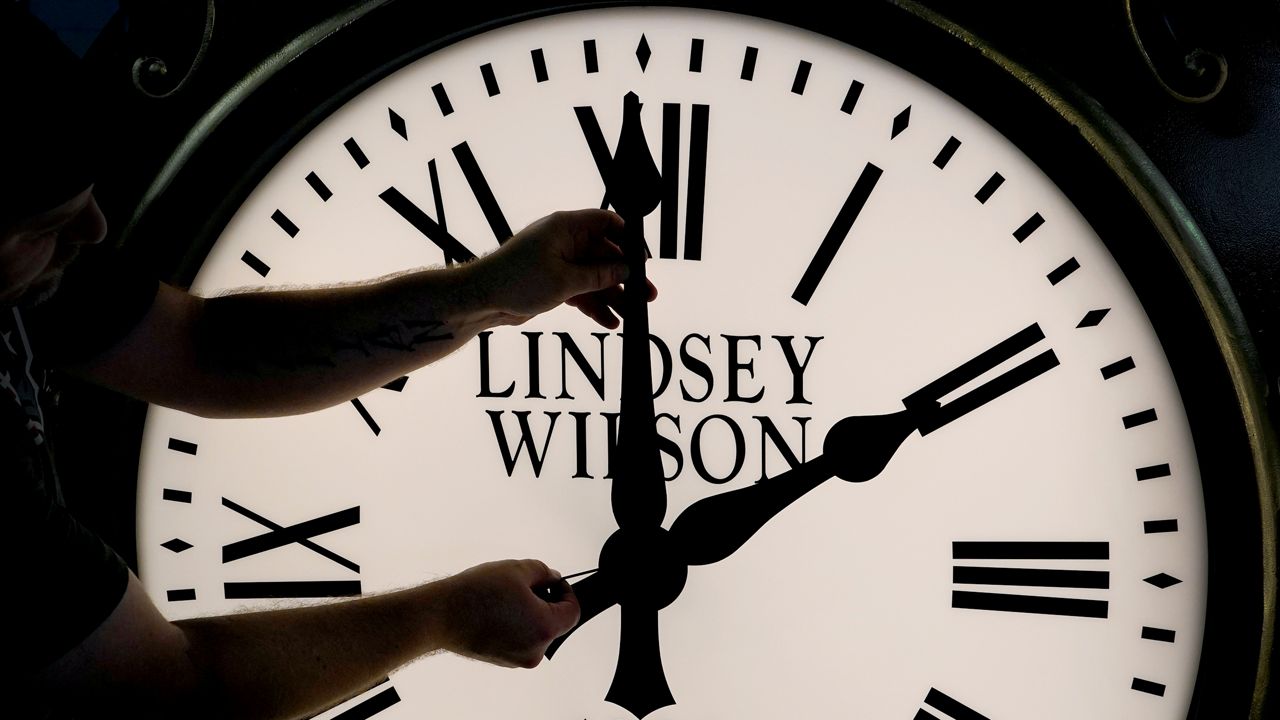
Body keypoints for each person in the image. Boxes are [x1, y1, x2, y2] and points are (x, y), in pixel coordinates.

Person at [3, 6, 650, 719]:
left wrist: (488, 295)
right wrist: (444, 618)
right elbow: (165, 692)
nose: (92, 232)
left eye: (87, 201)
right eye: (46, 225)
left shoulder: (29, 275)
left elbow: (202, 347)